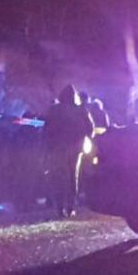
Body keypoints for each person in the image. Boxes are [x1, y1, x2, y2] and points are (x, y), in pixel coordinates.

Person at [43, 85, 95, 218]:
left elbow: (47, 129)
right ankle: (70, 207)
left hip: (57, 148)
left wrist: (48, 145)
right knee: (73, 177)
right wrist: (86, 139)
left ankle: (59, 207)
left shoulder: (54, 110)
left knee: (58, 177)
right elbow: (90, 128)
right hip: (75, 147)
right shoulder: (81, 110)